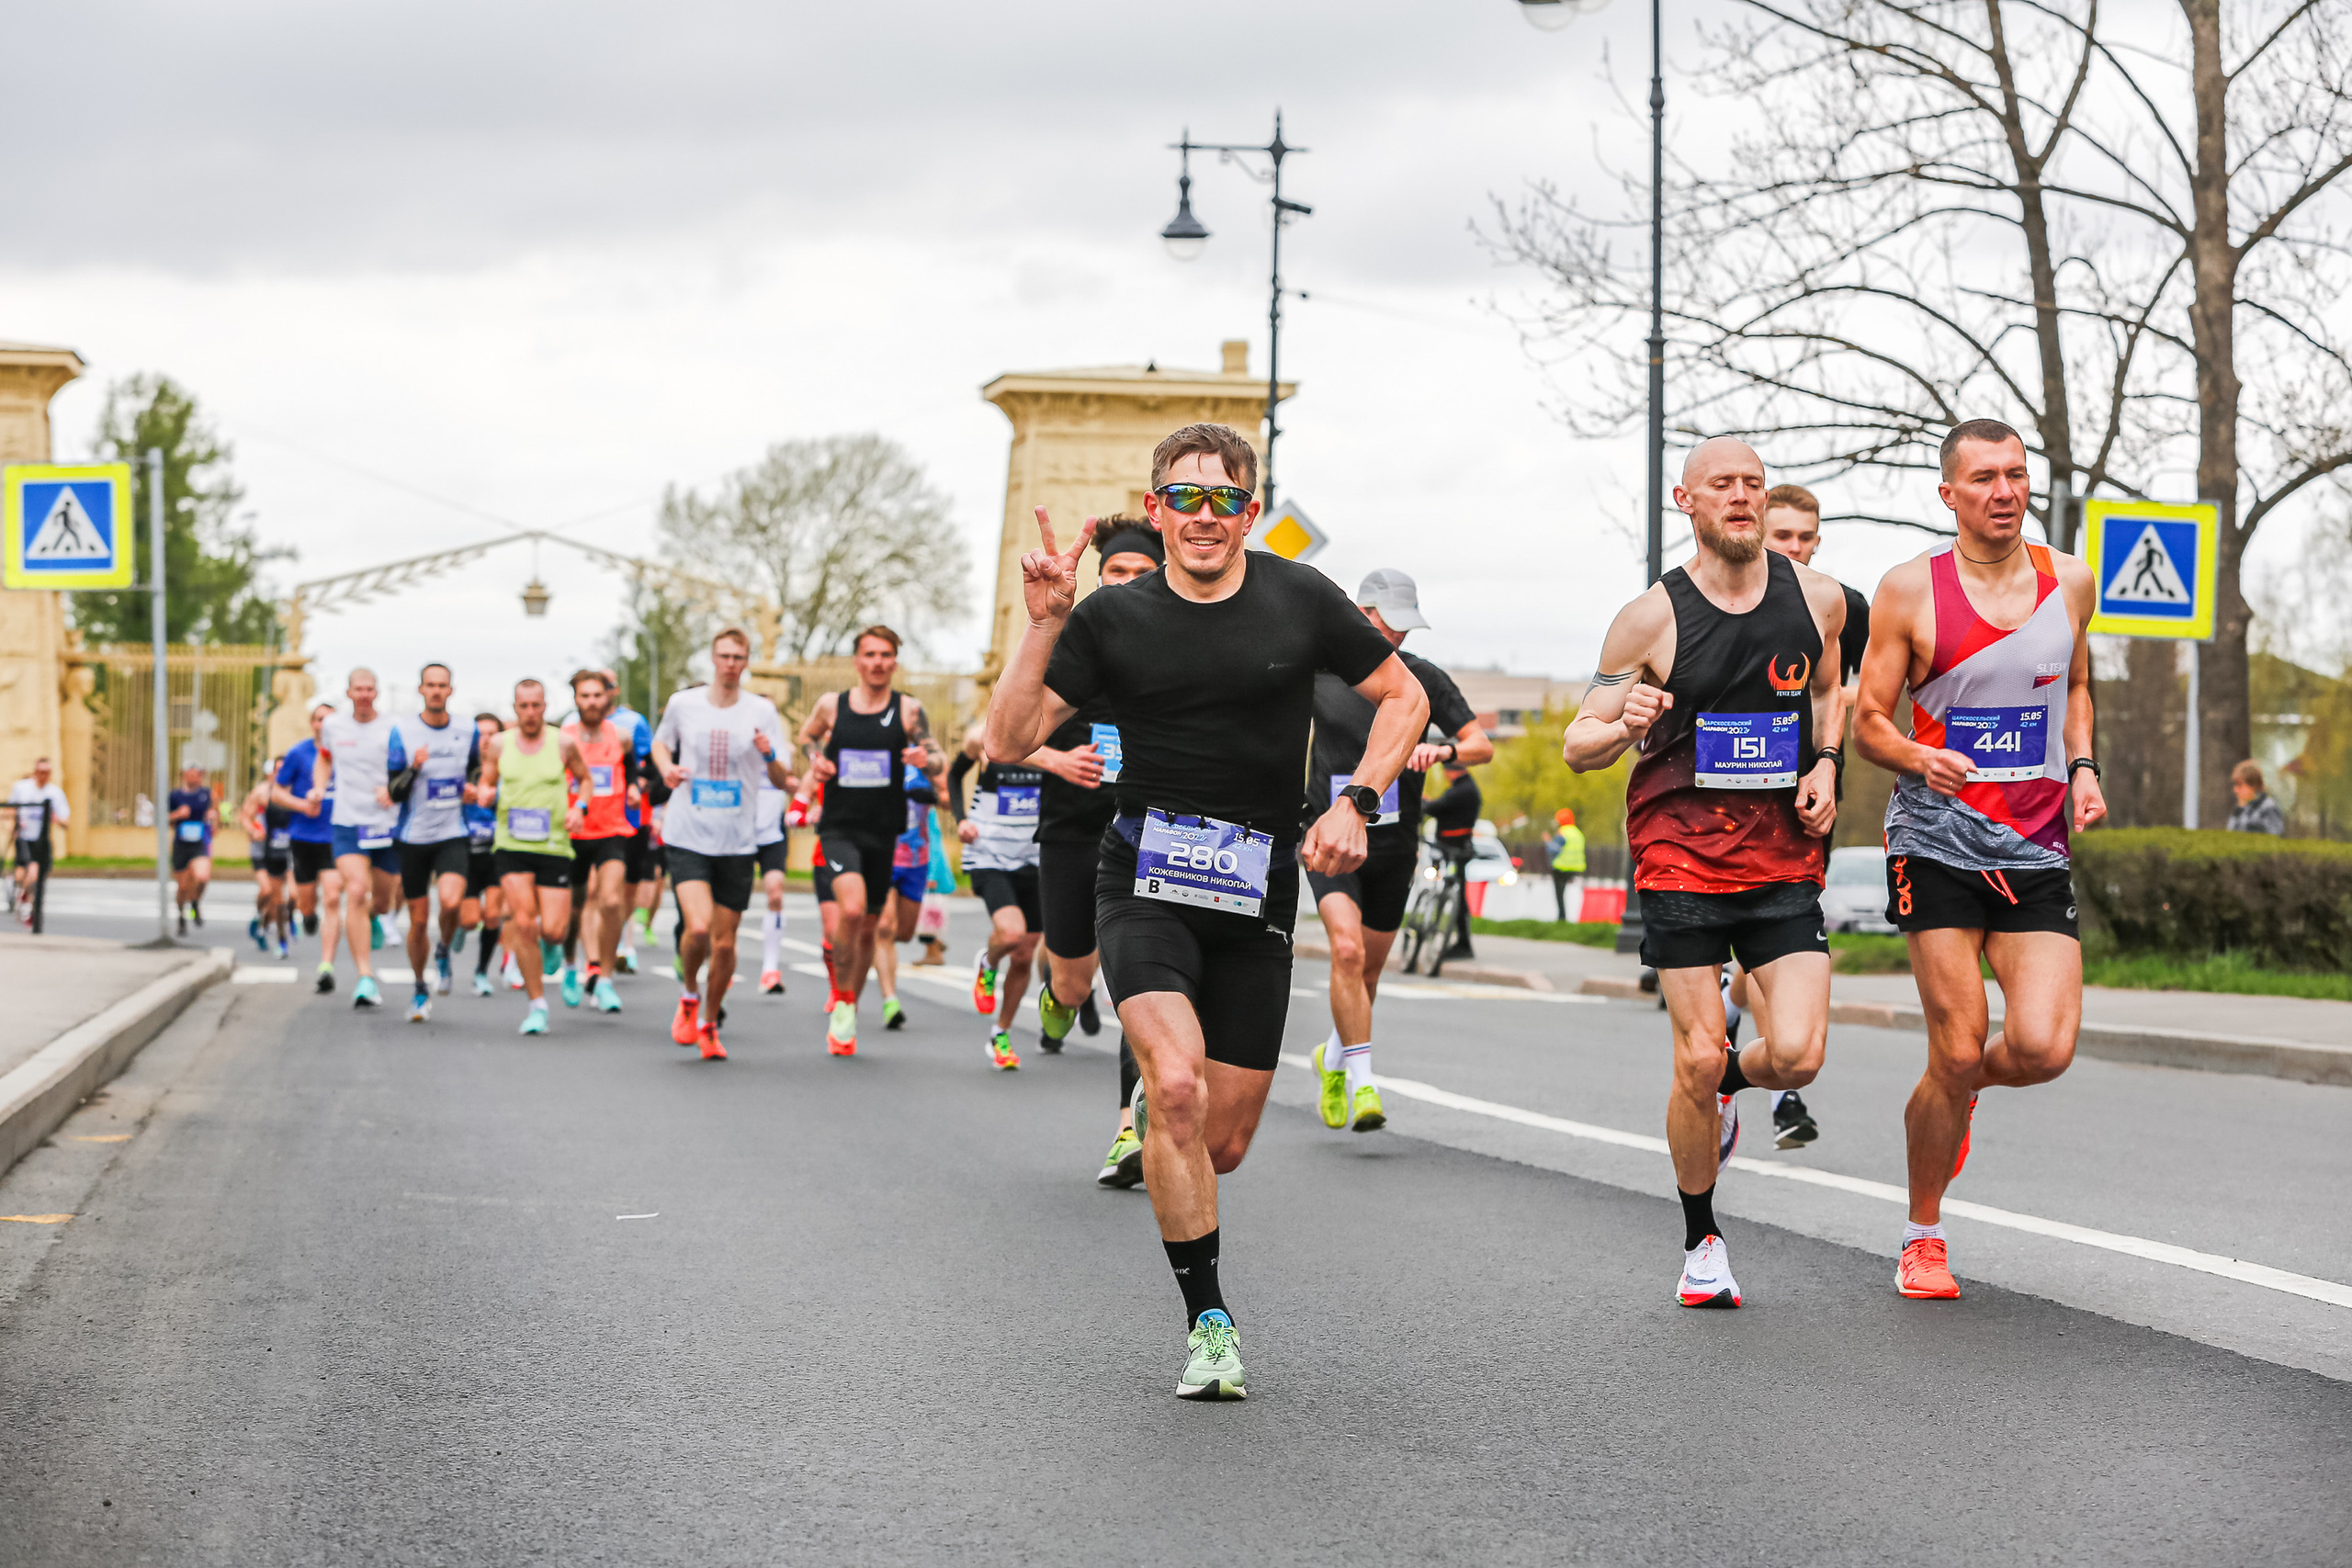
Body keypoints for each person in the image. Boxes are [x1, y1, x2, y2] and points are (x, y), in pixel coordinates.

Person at [985, 421, 1426, 1401]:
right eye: (1184, 498)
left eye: (1224, 500)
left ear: (1250, 513)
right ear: (1155, 510)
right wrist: (1047, 620)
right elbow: (1008, 736)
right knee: (1178, 1091)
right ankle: (1210, 1324)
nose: (1203, 517)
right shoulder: (1109, 617)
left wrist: (1355, 801)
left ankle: (1160, 1108)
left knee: (1220, 1141)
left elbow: (1404, 701)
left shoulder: (1301, 598)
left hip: (1255, 892)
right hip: (1141, 879)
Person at [1565, 435, 1846, 1312]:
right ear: (1685, 502)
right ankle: (1702, 1239)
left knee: (1795, 1055)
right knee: (1693, 1050)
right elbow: (1579, 744)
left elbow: (1832, 690)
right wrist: (1624, 722)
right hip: (1680, 852)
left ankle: (1732, 1082)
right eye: (1721, 484)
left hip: (1779, 858)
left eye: (1753, 484)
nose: (1741, 497)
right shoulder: (1649, 618)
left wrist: (1826, 764)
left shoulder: (1820, 599)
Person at [1854, 418, 2106, 1302]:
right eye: (1985, 478)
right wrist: (1919, 757)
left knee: (2042, 1046)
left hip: (2034, 844)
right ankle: (1924, 1232)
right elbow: (1868, 720)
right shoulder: (1908, 592)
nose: (2005, 491)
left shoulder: (2066, 580)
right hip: (1937, 838)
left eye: (2016, 474)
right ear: (1949, 494)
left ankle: (1957, 1096)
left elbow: (2075, 686)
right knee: (1957, 1045)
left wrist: (2081, 768)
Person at [1306, 567, 1492, 1134]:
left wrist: (1440, 752)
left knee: (1367, 971)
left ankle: (1334, 1056)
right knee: (1346, 951)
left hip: (1393, 841)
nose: (1400, 639)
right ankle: (1362, 1080)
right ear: (1363, 615)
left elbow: (1478, 744)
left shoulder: (1422, 679)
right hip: (1329, 834)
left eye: (1407, 629)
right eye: (1391, 627)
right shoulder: (1318, 673)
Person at [1718, 481, 1858, 1149]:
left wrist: (1831, 751)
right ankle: (1784, 1092)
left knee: (1768, 955)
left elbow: (1865, 687)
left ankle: (1745, 1035)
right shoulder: (1729, 600)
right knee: (1762, 951)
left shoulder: (1841, 605)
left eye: (1807, 537)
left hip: (1810, 797)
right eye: (1784, 536)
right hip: (1734, 804)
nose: (1797, 548)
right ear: (1760, 537)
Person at [1023, 520, 1159, 1184]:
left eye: (1142, 573)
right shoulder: (1070, 639)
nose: (1129, 585)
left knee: (1138, 986)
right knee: (1076, 981)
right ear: (1099, 579)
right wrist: (1054, 756)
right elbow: (1002, 734)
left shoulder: (1180, 649)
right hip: (1073, 830)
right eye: (1118, 573)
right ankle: (1058, 991)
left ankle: (1129, 1129)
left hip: (1150, 838)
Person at [796, 625, 944, 1055]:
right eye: (870, 654)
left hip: (885, 832)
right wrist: (815, 759)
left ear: (894, 662)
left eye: (885, 655)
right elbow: (807, 737)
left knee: (872, 929)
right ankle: (842, 997)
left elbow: (937, 756)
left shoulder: (909, 711)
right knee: (854, 908)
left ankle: (849, 1004)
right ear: (857, 661)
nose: (878, 662)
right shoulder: (833, 705)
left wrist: (926, 758)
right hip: (839, 828)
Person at [652, 628, 794, 1060]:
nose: (731, 664)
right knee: (697, 927)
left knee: (726, 943)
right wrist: (666, 769)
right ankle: (689, 995)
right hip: (688, 832)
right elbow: (661, 743)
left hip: (736, 838)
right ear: (713, 658)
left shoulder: (761, 711)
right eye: (724, 656)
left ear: (747, 661)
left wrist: (769, 755)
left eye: (739, 657)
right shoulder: (683, 704)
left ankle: (710, 1021)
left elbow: (783, 779)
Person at [480, 679, 594, 1035]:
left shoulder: (562, 742)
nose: (530, 713)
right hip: (511, 844)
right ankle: (537, 1005)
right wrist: (484, 793)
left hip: (554, 846)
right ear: (515, 708)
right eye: (523, 706)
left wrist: (581, 808)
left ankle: (555, 946)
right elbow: (487, 780)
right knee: (524, 923)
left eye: (536, 706)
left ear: (545, 706)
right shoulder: (499, 745)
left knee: (555, 931)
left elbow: (585, 780)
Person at [387, 662, 481, 1021]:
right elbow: (394, 791)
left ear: (451, 690)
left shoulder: (466, 729)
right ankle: (419, 986)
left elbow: (474, 769)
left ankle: (443, 949)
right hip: (413, 836)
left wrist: (472, 786)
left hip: (452, 832)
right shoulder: (404, 731)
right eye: (431, 685)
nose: (437, 691)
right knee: (418, 918)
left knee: (452, 901)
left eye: (443, 685)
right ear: (421, 690)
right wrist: (413, 768)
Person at [949, 724, 1045, 1071]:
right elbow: (954, 776)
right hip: (989, 855)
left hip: (1035, 858)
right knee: (1011, 933)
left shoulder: (1053, 743)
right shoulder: (981, 738)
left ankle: (1000, 1034)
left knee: (1022, 957)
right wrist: (961, 820)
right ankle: (988, 964)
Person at [316, 671, 406, 1009]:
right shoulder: (334, 726)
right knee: (355, 891)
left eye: (370, 689)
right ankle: (365, 977)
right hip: (348, 822)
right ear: (349, 692)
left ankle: (374, 918)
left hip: (386, 824)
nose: (365, 694)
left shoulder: (393, 727)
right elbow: (324, 759)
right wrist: (319, 786)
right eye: (359, 689)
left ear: (377, 692)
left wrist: (393, 790)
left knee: (382, 902)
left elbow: (406, 769)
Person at [560, 669, 643, 1013]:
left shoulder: (621, 736)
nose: (592, 702)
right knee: (576, 907)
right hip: (574, 831)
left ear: (608, 697)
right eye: (585, 696)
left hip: (612, 829)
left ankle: (604, 977)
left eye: (597, 695)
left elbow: (631, 765)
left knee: (610, 901)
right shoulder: (563, 738)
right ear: (575, 700)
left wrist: (636, 787)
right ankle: (570, 965)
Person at [273, 704, 342, 986]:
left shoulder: (347, 752)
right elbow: (276, 792)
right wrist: (302, 805)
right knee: (306, 900)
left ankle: (326, 965)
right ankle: (309, 915)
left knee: (334, 897)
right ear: (312, 724)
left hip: (337, 835)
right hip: (304, 836)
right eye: (318, 720)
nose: (324, 724)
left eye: (329, 720)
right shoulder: (299, 753)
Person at [460, 713, 505, 997]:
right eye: (481, 734)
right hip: (465, 853)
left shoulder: (509, 767)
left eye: (492, 733)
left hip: (497, 852)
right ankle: (450, 937)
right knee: (468, 920)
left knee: (492, 917)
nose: (486, 739)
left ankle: (480, 972)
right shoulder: (461, 768)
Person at [1423, 759, 1483, 957]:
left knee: (1458, 896)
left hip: (1454, 849)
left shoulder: (1461, 790)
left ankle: (1463, 943)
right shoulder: (1464, 787)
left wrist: (1423, 802)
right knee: (1458, 894)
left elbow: (1437, 808)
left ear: (1451, 771)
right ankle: (1461, 941)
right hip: (1455, 848)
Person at [8, 756, 70, 921]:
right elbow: (11, 808)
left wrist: (55, 818)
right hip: (24, 837)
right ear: (35, 772)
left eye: (47, 772)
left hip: (42, 839)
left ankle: (28, 904)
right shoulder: (22, 788)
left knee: (40, 875)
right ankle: (25, 901)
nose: (43, 775)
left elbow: (66, 821)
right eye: (40, 772)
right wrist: (14, 824)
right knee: (26, 873)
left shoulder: (55, 793)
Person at [240, 766, 292, 955]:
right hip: (261, 849)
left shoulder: (294, 793)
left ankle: (264, 925)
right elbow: (245, 816)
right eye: (276, 771)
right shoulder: (261, 793)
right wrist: (254, 829)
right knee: (268, 891)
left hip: (283, 849)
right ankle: (259, 919)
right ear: (270, 773)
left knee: (284, 897)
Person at [165, 763, 217, 936]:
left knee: (202, 877)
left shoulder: (207, 794)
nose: (194, 778)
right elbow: (163, 819)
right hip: (181, 844)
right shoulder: (175, 796)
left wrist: (214, 819)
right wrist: (177, 815)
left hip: (199, 843)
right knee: (182, 887)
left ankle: (195, 902)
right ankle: (181, 917)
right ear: (184, 775)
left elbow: (216, 817)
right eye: (191, 775)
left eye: (197, 775)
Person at [1546, 808, 1587, 923]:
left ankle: (1561, 918)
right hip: (1576, 868)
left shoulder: (1562, 832)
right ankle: (1566, 919)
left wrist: (1547, 841)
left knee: (1560, 894)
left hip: (1561, 868)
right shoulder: (1578, 833)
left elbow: (1552, 849)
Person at [2226, 761, 2286, 836]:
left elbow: (2276, 839)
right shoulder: (2243, 809)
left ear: (2253, 786)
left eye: (2239, 785)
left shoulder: (2268, 808)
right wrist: (2237, 812)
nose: (2235, 790)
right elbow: (2230, 836)